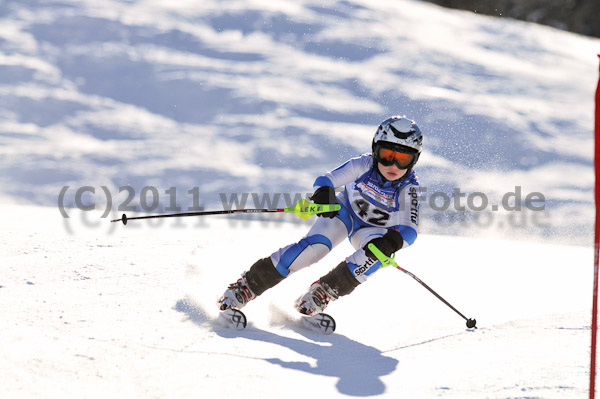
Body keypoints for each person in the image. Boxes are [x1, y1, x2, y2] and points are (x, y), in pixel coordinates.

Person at [218, 115, 423, 316]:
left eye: (403, 159)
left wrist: (392, 241)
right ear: (375, 150)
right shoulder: (363, 165)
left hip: (373, 231)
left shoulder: (409, 188)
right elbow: (325, 180)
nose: (393, 166)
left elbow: (410, 229)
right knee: (314, 249)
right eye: (387, 155)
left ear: (414, 160)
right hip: (344, 214)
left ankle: (323, 292)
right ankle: (246, 286)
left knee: (377, 256)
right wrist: (325, 195)